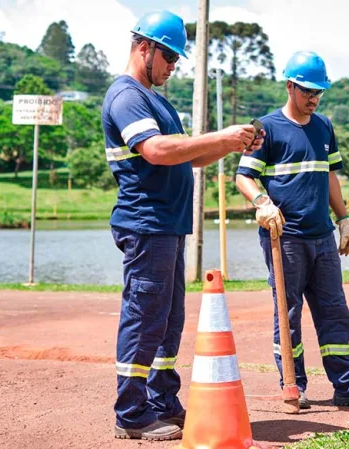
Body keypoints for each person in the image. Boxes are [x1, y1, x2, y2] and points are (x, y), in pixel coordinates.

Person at [102, 10, 265, 441]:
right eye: (169, 57)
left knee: (168, 320)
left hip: (168, 227)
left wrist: (231, 145)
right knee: (144, 317)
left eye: (176, 60)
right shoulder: (126, 97)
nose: (173, 67)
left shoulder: (156, 100)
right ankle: (131, 414)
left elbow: (188, 155)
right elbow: (156, 150)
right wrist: (221, 137)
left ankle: (161, 401)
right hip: (147, 224)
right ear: (144, 48)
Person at [235, 50, 349, 411]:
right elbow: (244, 176)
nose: (314, 98)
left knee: (334, 312)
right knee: (287, 314)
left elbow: (330, 175)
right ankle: (293, 384)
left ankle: (346, 387)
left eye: (319, 92)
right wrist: (262, 203)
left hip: (321, 238)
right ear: (289, 86)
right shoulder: (267, 128)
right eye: (307, 91)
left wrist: (344, 218)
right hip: (284, 239)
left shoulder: (323, 126)